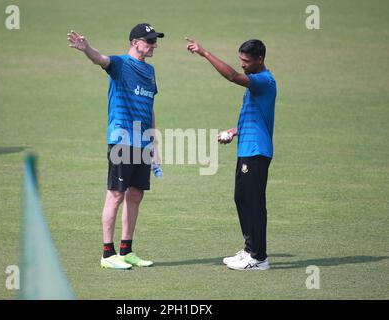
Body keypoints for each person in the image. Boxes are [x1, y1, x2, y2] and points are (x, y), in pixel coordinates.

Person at [68, 23, 164, 270]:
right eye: (149, 41)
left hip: (142, 142)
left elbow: (150, 107)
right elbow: (100, 59)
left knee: (136, 194)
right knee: (116, 194)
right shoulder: (120, 64)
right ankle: (107, 254)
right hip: (122, 139)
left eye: (155, 41)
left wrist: (153, 141)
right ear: (135, 42)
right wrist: (86, 48)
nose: (154, 45)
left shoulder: (151, 71)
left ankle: (127, 251)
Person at [186, 38, 276, 270]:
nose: (243, 64)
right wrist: (234, 131)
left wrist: (205, 52)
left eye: (246, 61)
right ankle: (249, 250)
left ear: (260, 59)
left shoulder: (263, 80)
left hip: (256, 152)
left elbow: (232, 76)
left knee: (253, 203)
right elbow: (258, 117)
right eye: (240, 60)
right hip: (247, 148)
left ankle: (259, 258)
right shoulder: (258, 83)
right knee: (242, 199)